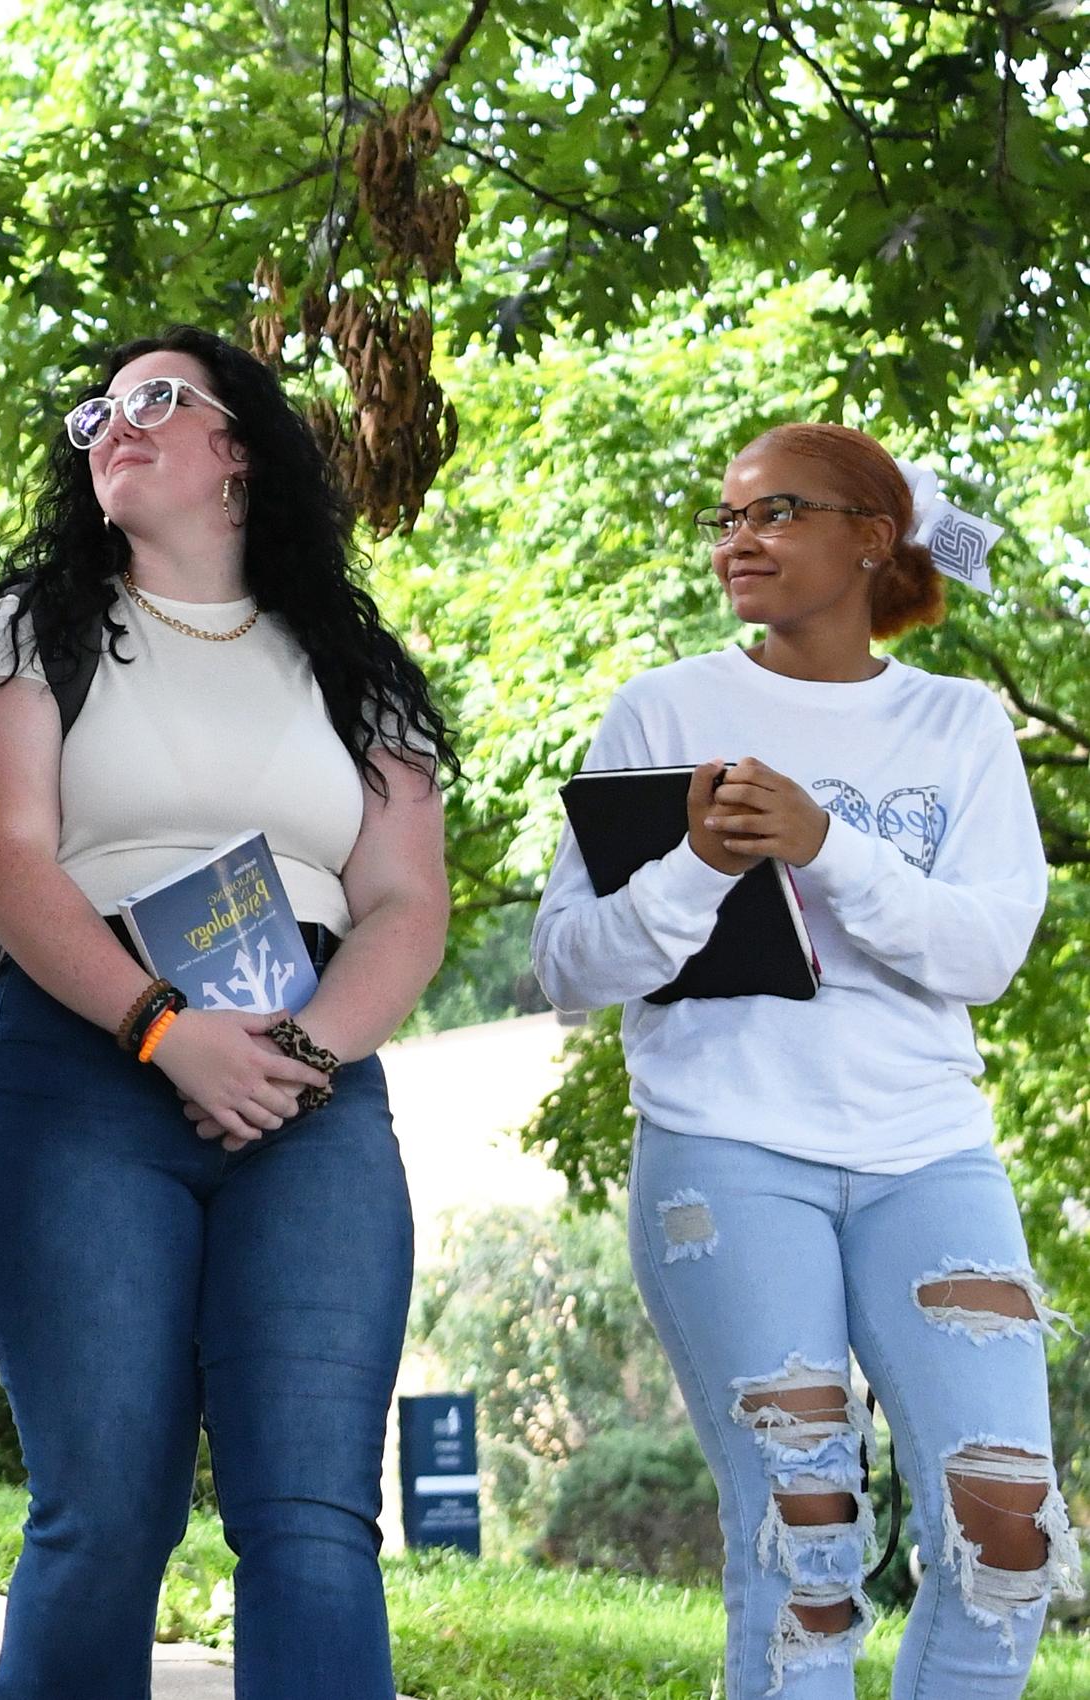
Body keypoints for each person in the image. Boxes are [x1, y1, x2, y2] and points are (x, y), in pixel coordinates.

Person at [0, 326, 454, 1697]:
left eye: (158, 399)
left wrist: (298, 1052)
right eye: (97, 408)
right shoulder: (27, 624)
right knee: (105, 1517)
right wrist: (166, 1030)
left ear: (239, 448)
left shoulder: (356, 664)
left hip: (309, 1088)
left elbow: (405, 903)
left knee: (313, 1522)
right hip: (77, 1070)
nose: (118, 420)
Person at [532, 424, 1074, 1698]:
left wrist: (828, 844)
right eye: (724, 516)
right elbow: (568, 967)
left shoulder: (958, 724)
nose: (738, 538)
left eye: (776, 509)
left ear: (872, 535)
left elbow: (984, 949)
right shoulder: (664, 708)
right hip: (727, 1149)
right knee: (806, 1536)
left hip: (930, 1158)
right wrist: (699, 866)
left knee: (1009, 1536)